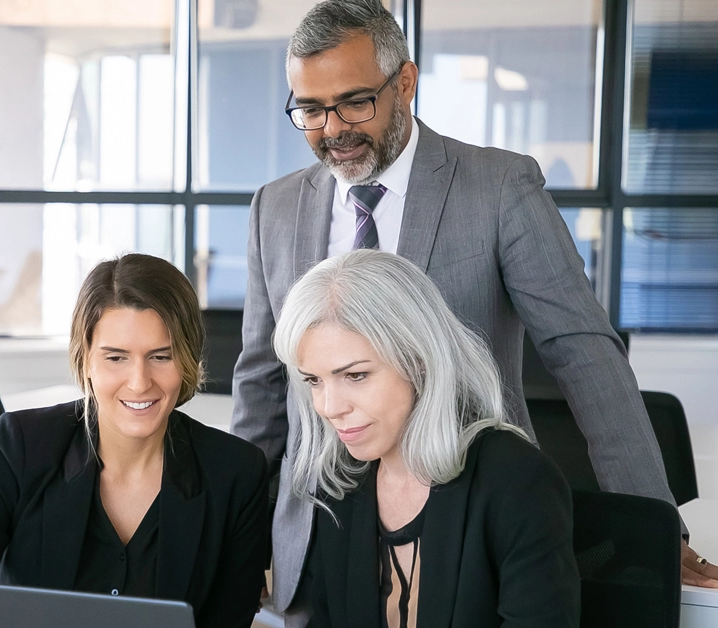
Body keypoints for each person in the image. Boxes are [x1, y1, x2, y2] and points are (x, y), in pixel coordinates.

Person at [228, 1, 718, 620]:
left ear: (404, 83)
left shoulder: (498, 187)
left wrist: (653, 527)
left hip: (465, 528)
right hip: (317, 536)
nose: (333, 129)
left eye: (354, 102)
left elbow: (584, 353)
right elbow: (262, 386)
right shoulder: (274, 206)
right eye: (310, 110)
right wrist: (234, 532)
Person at [0, 253, 270, 628]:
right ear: (86, 360)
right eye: (116, 358)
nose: (139, 382)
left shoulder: (235, 475)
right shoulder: (19, 448)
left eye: (161, 356)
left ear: (187, 359)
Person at [275, 249, 580, 628]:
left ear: (418, 360)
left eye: (355, 376)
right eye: (314, 381)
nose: (329, 407)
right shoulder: (343, 484)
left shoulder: (517, 480)